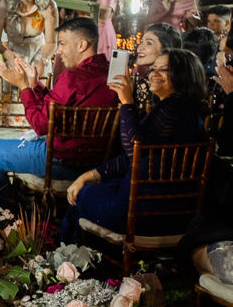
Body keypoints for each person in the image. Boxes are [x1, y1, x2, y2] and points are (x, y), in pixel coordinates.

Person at [61, 49, 208, 243]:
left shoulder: (173, 109)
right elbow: (139, 154)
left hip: (144, 211)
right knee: (92, 186)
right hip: (170, 211)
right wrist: (90, 175)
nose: (153, 74)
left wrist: (127, 102)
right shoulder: (180, 107)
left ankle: (67, 260)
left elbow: (134, 150)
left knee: (80, 195)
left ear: (183, 75)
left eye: (163, 69)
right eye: (153, 68)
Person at [0, 17, 119, 201]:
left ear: (82, 45)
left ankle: (3, 213)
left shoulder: (72, 78)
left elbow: (40, 124)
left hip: (60, 160)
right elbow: (59, 106)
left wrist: (24, 87)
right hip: (95, 163)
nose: (58, 50)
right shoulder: (111, 74)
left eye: (63, 44)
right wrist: (35, 85)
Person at [132, 23, 181, 112]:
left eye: (149, 43)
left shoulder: (151, 83)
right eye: (141, 42)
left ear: (166, 48)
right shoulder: (178, 78)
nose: (139, 49)